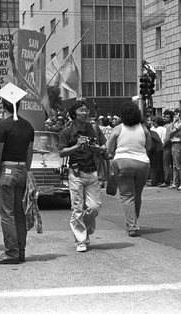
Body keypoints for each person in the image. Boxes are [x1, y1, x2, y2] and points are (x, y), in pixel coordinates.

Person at [0, 90, 34, 264]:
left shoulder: (2, 126)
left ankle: (11, 252)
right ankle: (20, 251)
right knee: (19, 212)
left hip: (6, 170)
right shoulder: (28, 126)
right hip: (22, 169)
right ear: (19, 105)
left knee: (7, 214)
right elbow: (29, 152)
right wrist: (25, 170)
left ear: (3, 105)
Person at [58, 100, 107, 252]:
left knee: (94, 207)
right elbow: (61, 152)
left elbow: (104, 146)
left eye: (86, 110)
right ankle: (80, 240)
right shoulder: (67, 131)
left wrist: (97, 148)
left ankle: (84, 230)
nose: (85, 113)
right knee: (77, 208)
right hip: (75, 173)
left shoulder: (94, 128)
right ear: (74, 114)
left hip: (92, 171)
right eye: (81, 110)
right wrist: (76, 146)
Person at [108, 101, 151, 237]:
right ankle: (133, 221)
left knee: (127, 196)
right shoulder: (144, 128)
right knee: (137, 195)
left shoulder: (118, 129)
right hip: (143, 163)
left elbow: (109, 149)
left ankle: (132, 225)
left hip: (123, 162)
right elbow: (148, 147)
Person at [159, 111, 175, 187]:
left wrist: (163, 146)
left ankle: (167, 180)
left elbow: (167, 138)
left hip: (168, 147)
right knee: (171, 164)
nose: (166, 118)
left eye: (168, 117)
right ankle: (171, 179)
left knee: (166, 164)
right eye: (165, 117)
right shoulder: (167, 125)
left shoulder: (170, 126)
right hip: (170, 146)